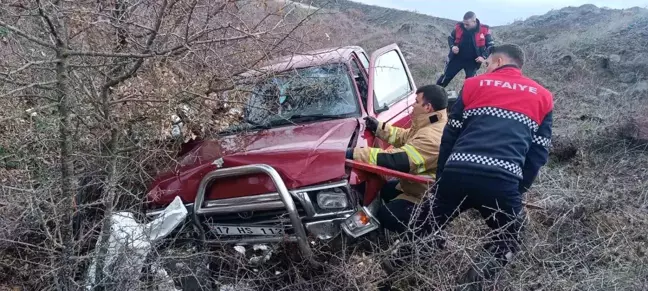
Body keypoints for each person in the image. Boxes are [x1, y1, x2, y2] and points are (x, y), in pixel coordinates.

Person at [415, 44, 553, 290]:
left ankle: (399, 268)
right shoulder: (543, 97)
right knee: (510, 237)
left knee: (425, 224)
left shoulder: (472, 85)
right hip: (503, 181)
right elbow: (538, 152)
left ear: (498, 62)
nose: (486, 67)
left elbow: (450, 135)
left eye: (488, 63)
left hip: (457, 172)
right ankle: (470, 286)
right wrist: (518, 189)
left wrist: (442, 179)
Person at [345, 84, 448, 234]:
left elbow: (398, 160)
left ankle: (417, 243)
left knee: (388, 215)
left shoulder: (433, 136)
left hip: (427, 197)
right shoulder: (431, 122)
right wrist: (379, 127)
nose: (413, 105)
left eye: (417, 101)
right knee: (385, 190)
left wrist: (354, 153)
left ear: (428, 107)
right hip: (417, 188)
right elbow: (405, 137)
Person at [436, 11, 495, 88]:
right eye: (464, 23)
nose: (465, 26)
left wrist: (483, 57)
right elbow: (451, 37)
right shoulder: (459, 27)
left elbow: (491, 45)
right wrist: (452, 47)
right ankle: (433, 95)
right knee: (445, 78)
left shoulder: (484, 29)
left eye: (467, 24)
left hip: (473, 62)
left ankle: (463, 98)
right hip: (456, 58)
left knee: (469, 84)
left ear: (474, 21)